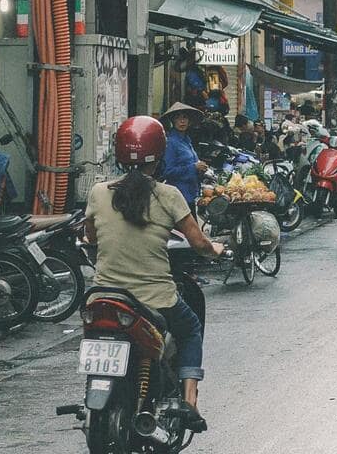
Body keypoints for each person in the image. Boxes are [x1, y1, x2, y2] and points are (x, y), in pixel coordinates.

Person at [86, 116, 228, 428]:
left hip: (104, 297)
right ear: (159, 154)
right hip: (155, 299)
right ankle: (190, 402)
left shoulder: (98, 192)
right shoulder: (168, 195)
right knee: (190, 329)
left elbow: (91, 237)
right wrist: (216, 249)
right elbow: (199, 243)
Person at [161, 101, 208, 207]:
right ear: (173, 120)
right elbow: (167, 172)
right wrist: (194, 167)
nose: (182, 121)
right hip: (179, 196)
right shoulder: (171, 142)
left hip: (191, 194)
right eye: (178, 118)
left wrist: (200, 168)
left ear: (189, 121)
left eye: (185, 117)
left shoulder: (187, 140)